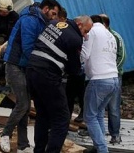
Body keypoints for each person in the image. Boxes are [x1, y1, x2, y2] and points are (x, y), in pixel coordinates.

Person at [0, 0, 62, 153]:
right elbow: (28, 47)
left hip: (25, 66)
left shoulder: (41, 21)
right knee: (23, 104)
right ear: (45, 9)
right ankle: (5, 134)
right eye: (53, 13)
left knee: (25, 107)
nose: (54, 18)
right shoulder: (29, 20)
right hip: (15, 65)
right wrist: (40, 65)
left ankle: (23, 145)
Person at [26, 15, 92, 153]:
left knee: (42, 115)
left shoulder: (54, 24)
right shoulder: (75, 39)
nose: (86, 36)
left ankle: (38, 150)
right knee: (62, 119)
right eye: (86, 31)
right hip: (48, 75)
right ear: (79, 24)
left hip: (32, 69)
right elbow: (73, 69)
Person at [81, 15, 119, 153]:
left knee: (89, 116)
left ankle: (102, 150)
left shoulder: (92, 32)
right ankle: (99, 147)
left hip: (99, 79)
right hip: (114, 79)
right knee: (98, 114)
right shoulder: (110, 35)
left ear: (90, 23)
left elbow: (84, 55)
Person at [100, 13, 126, 144]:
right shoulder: (97, 36)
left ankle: (115, 134)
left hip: (113, 76)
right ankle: (97, 132)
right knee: (96, 106)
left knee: (113, 107)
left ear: (105, 24)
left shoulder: (115, 37)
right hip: (99, 77)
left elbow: (121, 57)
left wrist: (111, 71)